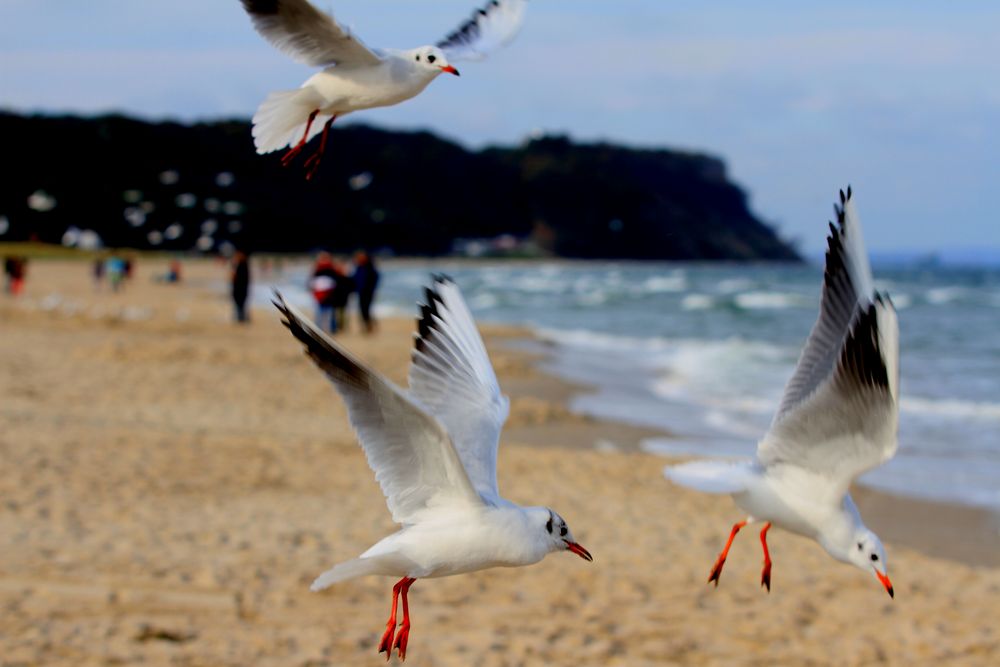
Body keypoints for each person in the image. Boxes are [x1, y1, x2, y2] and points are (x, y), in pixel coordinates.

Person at [309, 252, 339, 333]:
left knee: (330, 313)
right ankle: (318, 329)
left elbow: (336, 282)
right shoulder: (318, 268)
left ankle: (332, 329)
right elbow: (312, 282)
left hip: (330, 295)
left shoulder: (331, 269)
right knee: (320, 313)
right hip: (320, 296)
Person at [352, 250, 380, 334]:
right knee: (362, 309)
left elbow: (375, 279)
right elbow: (355, 279)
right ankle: (366, 326)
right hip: (361, 292)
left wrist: (371, 288)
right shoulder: (359, 267)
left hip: (368, 292)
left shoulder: (370, 268)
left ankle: (369, 326)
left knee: (366, 309)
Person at [231, 250, 251, 323]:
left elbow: (233, 276)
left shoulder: (242, 265)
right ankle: (242, 318)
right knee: (240, 303)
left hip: (240, 288)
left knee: (240, 303)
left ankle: (241, 318)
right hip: (241, 288)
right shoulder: (242, 265)